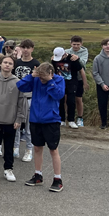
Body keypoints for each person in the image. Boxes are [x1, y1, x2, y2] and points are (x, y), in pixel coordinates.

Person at [17, 63, 66, 192]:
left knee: (53, 149)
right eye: (40, 77)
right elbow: (20, 86)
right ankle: (38, 175)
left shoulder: (58, 80)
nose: (41, 79)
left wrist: (50, 81)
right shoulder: (36, 79)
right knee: (37, 148)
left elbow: (58, 95)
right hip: (35, 119)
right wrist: (31, 76)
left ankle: (57, 179)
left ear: (51, 73)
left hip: (51, 120)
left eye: (43, 77)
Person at [12, 39, 40, 162]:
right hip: (17, 96)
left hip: (30, 97)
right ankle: (15, 147)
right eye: (23, 47)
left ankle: (29, 150)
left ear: (32, 49)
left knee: (29, 127)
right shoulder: (16, 62)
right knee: (16, 124)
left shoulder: (35, 63)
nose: (26, 50)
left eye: (28, 47)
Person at [51, 46, 83, 128]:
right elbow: (54, 70)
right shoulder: (54, 60)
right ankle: (62, 119)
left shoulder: (73, 59)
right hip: (59, 83)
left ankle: (71, 120)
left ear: (64, 54)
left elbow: (80, 69)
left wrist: (84, 82)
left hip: (72, 83)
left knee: (71, 101)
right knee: (61, 101)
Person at [65, 35, 89, 127]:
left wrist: (77, 58)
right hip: (68, 79)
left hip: (79, 78)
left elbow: (83, 63)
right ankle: (67, 117)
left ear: (81, 44)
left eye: (78, 44)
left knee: (78, 98)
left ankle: (80, 118)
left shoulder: (84, 51)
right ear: (71, 43)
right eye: (74, 44)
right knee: (66, 98)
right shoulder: (67, 51)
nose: (75, 46)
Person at [92, 38, 109, 129]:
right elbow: (95, 73)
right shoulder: (97, 59)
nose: (108, 46)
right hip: (102, 85)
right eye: (106, 44)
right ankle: (103, 123)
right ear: (102, 46)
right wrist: (102, 84)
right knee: (102, 105)